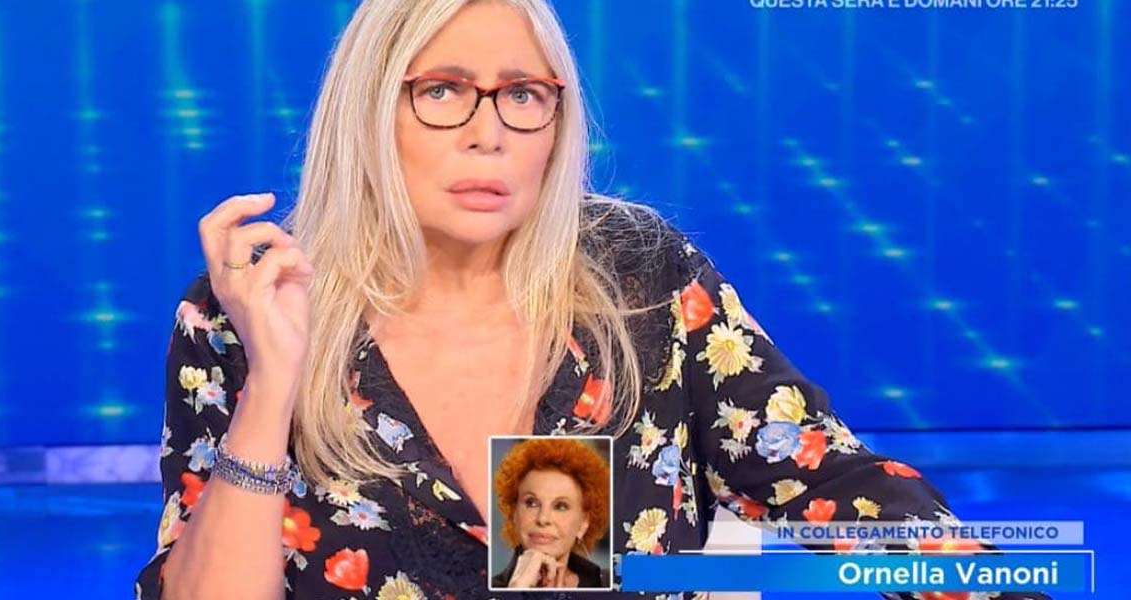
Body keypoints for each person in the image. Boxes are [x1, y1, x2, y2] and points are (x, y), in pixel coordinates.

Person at [136, 0, 1054, 598]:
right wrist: (275, 386)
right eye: (443, 92)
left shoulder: (640, 280)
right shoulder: (247, 308)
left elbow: (825, 484)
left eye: (523, 95)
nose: (489, 133)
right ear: (369, 109)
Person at [490, 438, 611, 589]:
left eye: (560, 506)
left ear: (583, 523)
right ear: (514, 513)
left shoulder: (613, 580)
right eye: (531, 503)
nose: (543, 519)